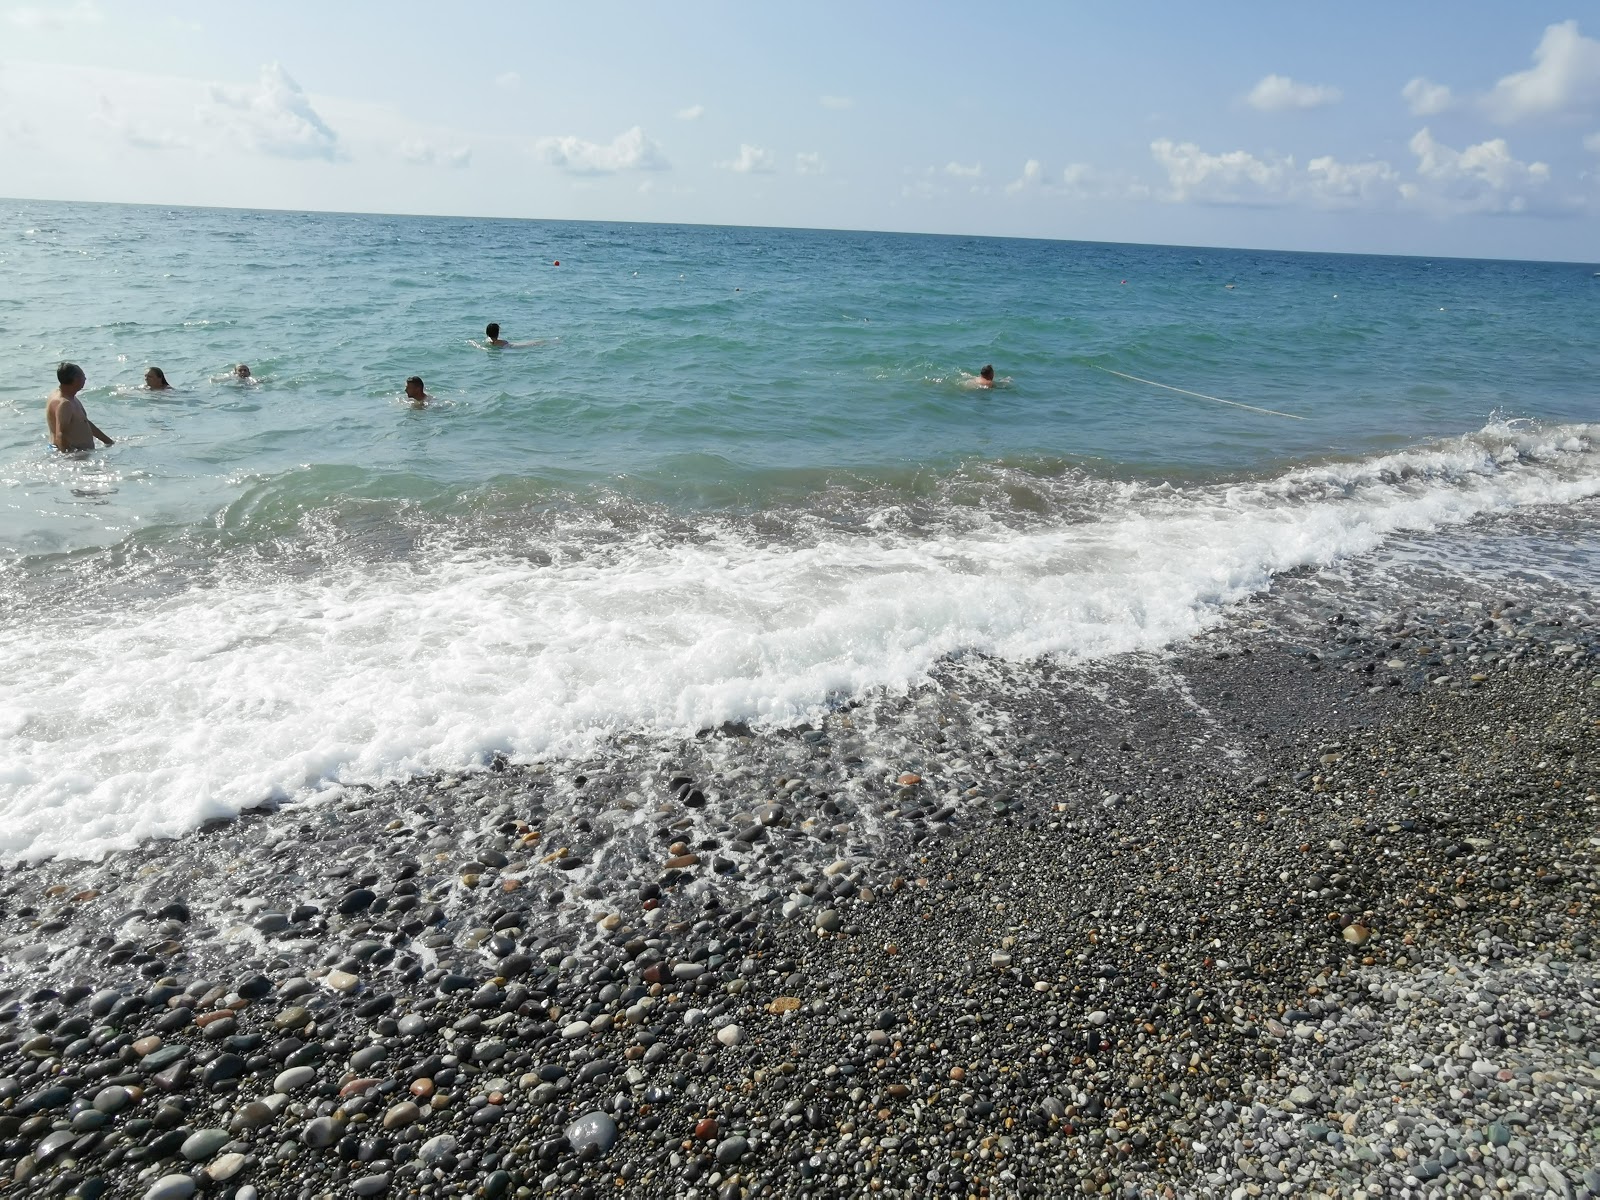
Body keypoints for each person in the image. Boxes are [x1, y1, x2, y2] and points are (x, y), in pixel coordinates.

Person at [46, 362, 114, 452]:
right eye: (83, 376)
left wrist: (108, 441)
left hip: (80, 453)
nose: (85, 379)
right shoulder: (64, 404)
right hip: (73, 456)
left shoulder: (70, 397)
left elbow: (84, 422)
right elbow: (60, 435)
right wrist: (68, 459)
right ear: (75, 379)